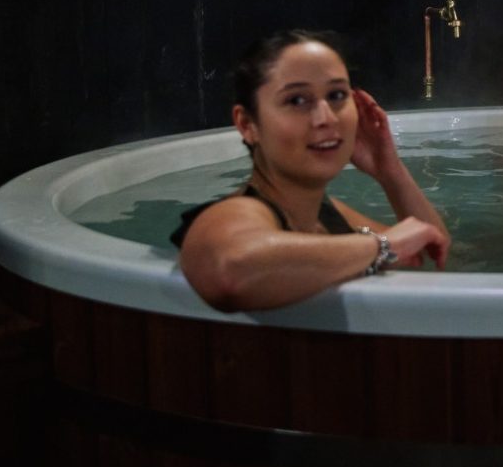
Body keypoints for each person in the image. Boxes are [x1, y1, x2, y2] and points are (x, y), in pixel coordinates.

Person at [175, 30, 450, 311]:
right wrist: (383, 245)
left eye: (337, 95)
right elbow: (229, 271)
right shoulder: (241, 211)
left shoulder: (324, 213)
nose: (325, 117)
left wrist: (389, 170)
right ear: (247, 125)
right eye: (297, 101)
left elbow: (432, 259)